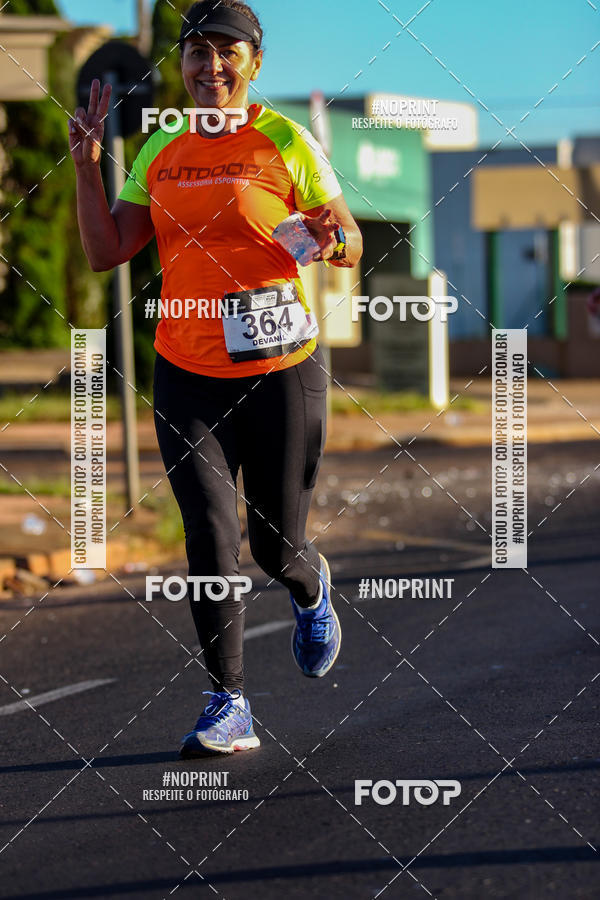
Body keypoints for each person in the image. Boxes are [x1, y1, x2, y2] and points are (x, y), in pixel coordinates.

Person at [69, 0, 363, 757]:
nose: (212, 66)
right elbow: (107, 252)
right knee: (208, 532)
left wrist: (330, 239)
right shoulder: (161, 146)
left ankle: (310, 587)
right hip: (186, 373)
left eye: (228, 51)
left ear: (254, 64)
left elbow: (350, 239)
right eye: (198, 52)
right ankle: (228, 702)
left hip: (280, 370)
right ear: (183, 64)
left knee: (275, 547)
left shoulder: (285, 139)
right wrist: (85, 167)